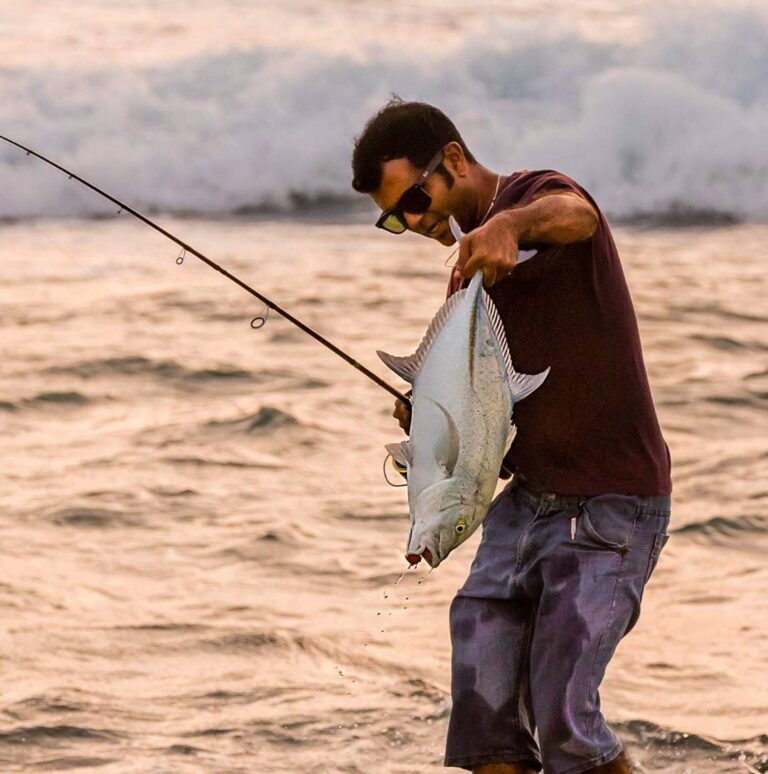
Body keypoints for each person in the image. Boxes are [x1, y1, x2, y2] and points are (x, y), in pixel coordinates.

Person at [351, 99, 672, 774]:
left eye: (412, 198)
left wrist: (511, 224)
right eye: (393, 217)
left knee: (564, 721)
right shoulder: (466, 281)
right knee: (483, 715)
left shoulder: (535, 198)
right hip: (527, 504)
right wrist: (437, 421)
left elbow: (576, 215)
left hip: (613, 503)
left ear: (456, 161)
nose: (411, 222)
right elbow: (491, 448)